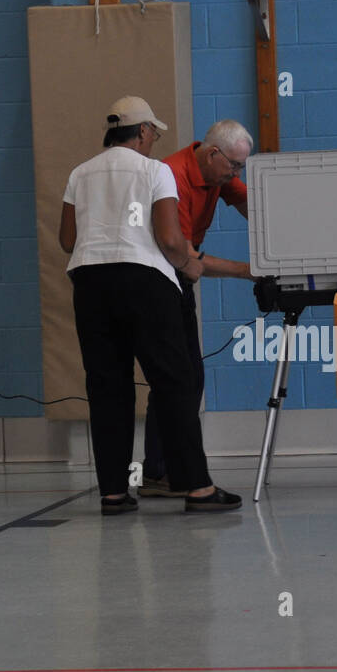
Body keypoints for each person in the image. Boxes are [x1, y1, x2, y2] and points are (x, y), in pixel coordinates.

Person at [59, 96, 241, 515]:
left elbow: (68, 240)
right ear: (142, 132)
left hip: (89, 284)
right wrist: (188, 267)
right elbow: (170, 237)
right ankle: (197, 488)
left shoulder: (80, 173)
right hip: (145, 283)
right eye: (153, 133)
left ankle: (114, 493)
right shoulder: (155, 171)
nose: (155, 141)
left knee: (107, 388)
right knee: (175, 383)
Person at [139, 120, 255, 498]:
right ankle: (162, 470)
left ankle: (162, 468)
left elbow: (251, 206)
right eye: (234, 167)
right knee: (179, 379)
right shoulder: (174, 176)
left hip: (178, 278)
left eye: (241, 168)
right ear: (212, 154)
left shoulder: (217, 172)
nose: (236, 175)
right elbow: (184, 257)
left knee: (186, 378)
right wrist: (247, 270)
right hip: (163, 277)